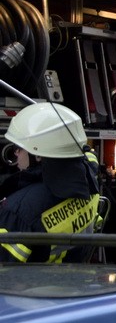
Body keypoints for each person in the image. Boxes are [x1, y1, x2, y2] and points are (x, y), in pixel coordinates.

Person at [0, 102, 100, 264]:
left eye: (20, 147)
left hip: (37, 286)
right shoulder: (88, 178)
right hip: (78, 280)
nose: (16, 152)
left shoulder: (17, 212)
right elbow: (90, 159)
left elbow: (6, 271)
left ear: (38, 156)